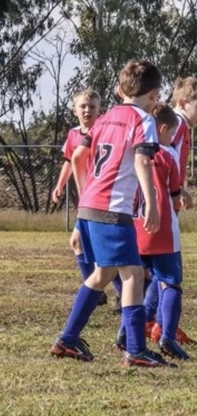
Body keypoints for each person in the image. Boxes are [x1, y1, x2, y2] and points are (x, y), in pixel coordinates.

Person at [50, 59, 174, 367]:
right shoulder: (142, 119)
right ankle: (135, 348)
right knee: (132, 273)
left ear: (120, 90)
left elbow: (79, 156)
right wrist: (152, 202)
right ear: (154, 95)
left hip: (91, 204)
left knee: (102, 273)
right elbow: (143, 162)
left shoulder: (104, 119)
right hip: (112, 207)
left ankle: (68, 338)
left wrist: (86, 194)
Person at [116, 102, 189, 360]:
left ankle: (125, 332)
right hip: (161, 231)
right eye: (170, 133)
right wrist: (182, 199)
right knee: (171, 283)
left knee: (134, 283)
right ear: (163, 128)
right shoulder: (168, 154)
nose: (171, 139)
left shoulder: (129, 155)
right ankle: (167, 336)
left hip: (134, 228)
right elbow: (175, 195)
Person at [144, 76, 197, 345]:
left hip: (167, 199)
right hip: (164, 201)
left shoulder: (181, 126)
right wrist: (177, 191)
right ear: (182, 103)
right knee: (166, 271)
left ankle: (153, 321)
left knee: (161, 270)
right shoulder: (179, 124)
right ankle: (157, 323)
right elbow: (163, 159)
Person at [52, 89, 123, 308]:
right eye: (82, 106)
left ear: (99, 110)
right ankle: (100, 290)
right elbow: (69, 160)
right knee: (81, 243)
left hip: (100, 199)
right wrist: (60, 184)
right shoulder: (74, 134)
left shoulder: (104, 130)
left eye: (92, 107)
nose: (87, 110)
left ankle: (106, 291)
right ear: (75, 110)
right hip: (87, 199)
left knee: (95, 247)